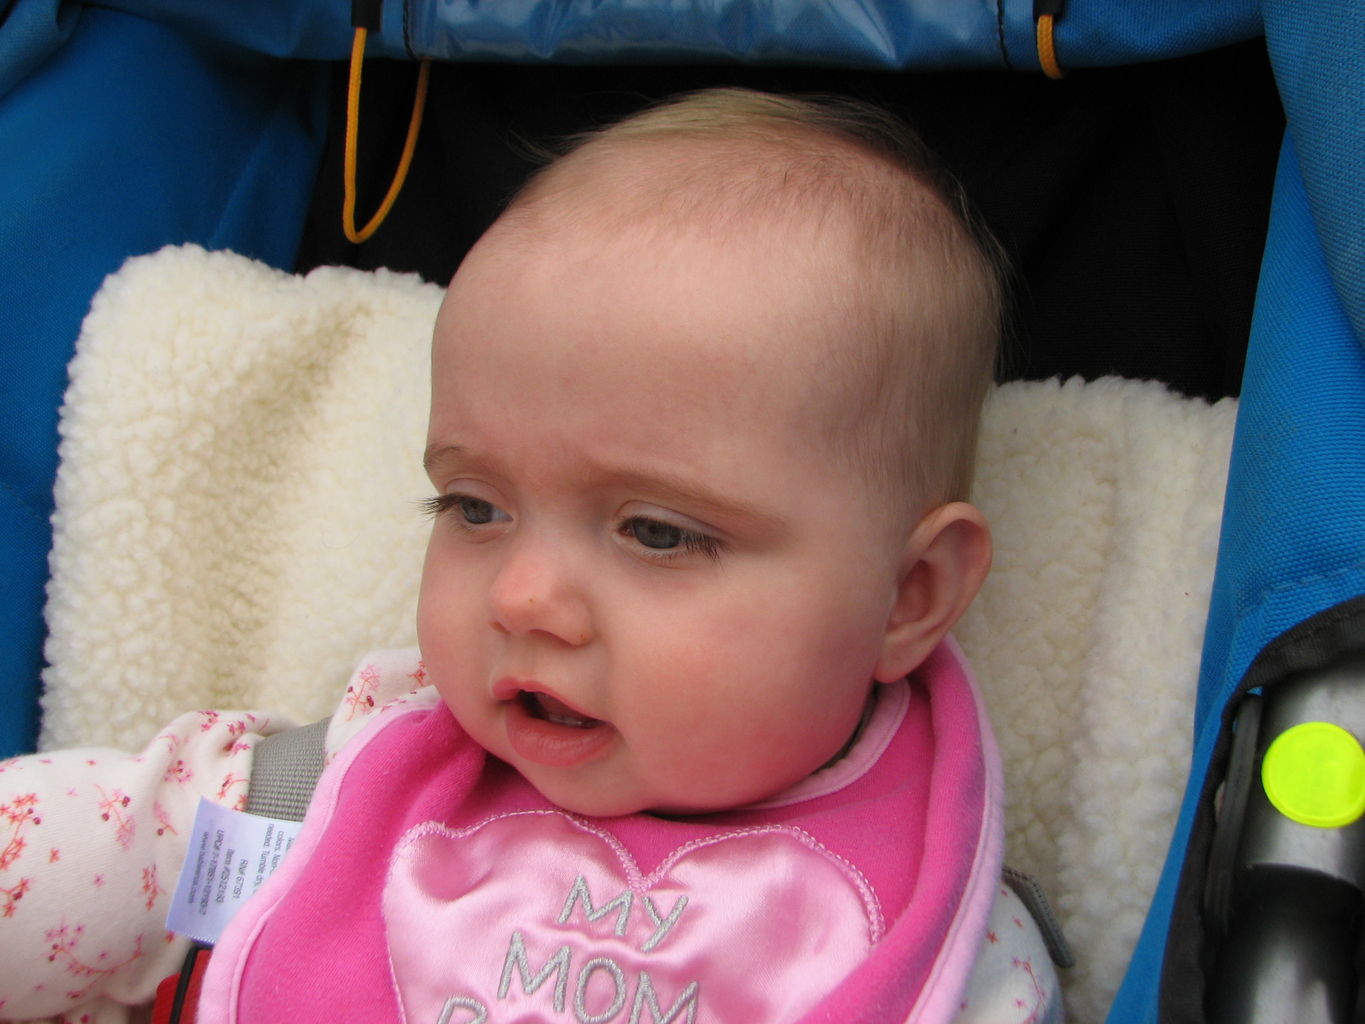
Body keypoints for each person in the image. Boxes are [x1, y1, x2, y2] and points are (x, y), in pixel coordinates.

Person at [0, 89, 1059, 1023]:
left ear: (908, 595)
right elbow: (98, 850)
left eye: (658, 532)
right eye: (474, 506)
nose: (522, 597)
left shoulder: (942, 941)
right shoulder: (331, 785)